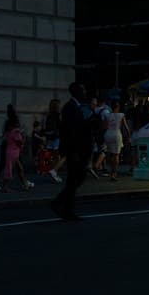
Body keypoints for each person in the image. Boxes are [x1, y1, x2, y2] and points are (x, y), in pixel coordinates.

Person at [50, 82, 91, 222]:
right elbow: (69, 132)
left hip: (80, 149)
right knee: (75, 178)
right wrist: (73, 151)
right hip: (75, 150)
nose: (85, 92)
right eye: (83, 90)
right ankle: (65, 207)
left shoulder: (80, 106)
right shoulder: (70, 107)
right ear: (76, 92)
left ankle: (62, 204)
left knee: (76, 178)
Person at [0, 115, 31, 192]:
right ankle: (5, 187)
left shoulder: (8, 132)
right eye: (18, 122)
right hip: (13, 153)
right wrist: (24, 138)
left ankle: (25, 185)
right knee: (10, 170)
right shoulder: (15, 132)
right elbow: (20, 142)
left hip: (11, 152)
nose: (19, 124)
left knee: (18, 168)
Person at [102, 97, 129, 181]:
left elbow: (104, 127)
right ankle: (114, 173)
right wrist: (129, 136)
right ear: (118, 107)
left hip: (108, 134)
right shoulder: (121, 115)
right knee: (116, 155)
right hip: (117, 134)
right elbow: (126, 127)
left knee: (110, 154)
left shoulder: (107, 115)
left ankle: (111, 171)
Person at [43, 98, 64, 184]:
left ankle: (53, 172)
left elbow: (46, 127)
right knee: (59, 156)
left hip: (49, 138)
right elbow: (61, 126)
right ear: (57, 106)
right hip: (56, 137)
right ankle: (54, 172)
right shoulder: (58, 115)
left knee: (53, 156)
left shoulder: (49, 115)